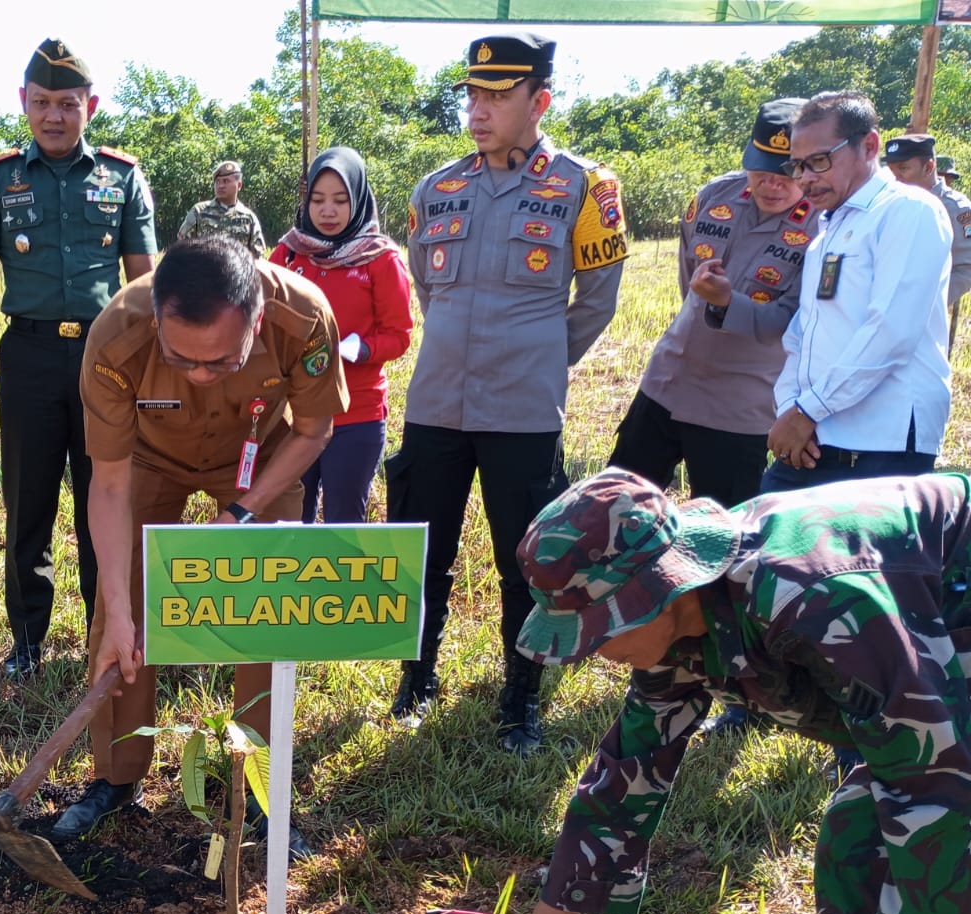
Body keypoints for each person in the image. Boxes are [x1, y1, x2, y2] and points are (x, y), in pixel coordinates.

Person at [470, 467, 971, 914]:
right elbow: (624, 780)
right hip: (937, 675)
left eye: (601, 628)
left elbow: (936, 786)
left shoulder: (812, 599)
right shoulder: (689, 615)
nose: (591, 651)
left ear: (658, 588)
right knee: (857, 828)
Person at [54, 237, 347, 849]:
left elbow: (314, 429)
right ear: (157, 318)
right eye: (181, 358)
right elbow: (107, 485)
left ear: (257, 321)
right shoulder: (115, 336)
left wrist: (242, 512)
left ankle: (261, 793)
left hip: (259, 461)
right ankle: (117, 778)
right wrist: (119, 607)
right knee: (119, 614)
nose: (199, 374)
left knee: (268, 611)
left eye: (221, 362)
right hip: (147, 460)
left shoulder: (305, 316)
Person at [386, 32, 627, 743]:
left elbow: (599, 296)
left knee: (526, 560)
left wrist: (543, 358)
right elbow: (429, 285)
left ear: (539, 100)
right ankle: (416, 676)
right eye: (473, 94)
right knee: (423, 546)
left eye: (498, 95)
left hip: (523, 409)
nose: (480, 109)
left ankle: (520, 698)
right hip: (436, 402)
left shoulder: (585, 186)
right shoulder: (436, 187)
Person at [0, 38, 156, 681]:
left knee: (108, 495)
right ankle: (27, 642)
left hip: (107, 360)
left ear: (90, 106)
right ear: (23, 103)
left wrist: (152, 370)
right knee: (29, 502)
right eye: (41, 103)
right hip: (30, 356)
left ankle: (104, 627)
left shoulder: (123, 178)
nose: (54, 116)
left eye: (67, 104)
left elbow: (144, 282)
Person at [606, 98, 808, 735]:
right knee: (620, 510)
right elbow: (685, 280)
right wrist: (708, 304)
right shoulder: (712, 199)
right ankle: (617, 628)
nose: (772, 183)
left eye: (787, 171)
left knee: (730, 551)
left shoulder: (824, 226)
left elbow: (796, 322)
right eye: (762, 168)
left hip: (741, 407)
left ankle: (745, 691)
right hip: (667, 384)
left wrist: (729, 304)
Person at [762, 93, 951, 495]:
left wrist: (808, 410)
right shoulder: (829, 228)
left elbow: (891, 332)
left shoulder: (908, 210)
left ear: (869, 145)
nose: (806, 178)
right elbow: (803, 334)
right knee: (768, 549)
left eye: (819, 161)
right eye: (798, 165)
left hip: (880, 442)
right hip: (814, 438)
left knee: (863, 560)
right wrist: (789, 407)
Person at [268, 146, 412, 524]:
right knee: (288, 519)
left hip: (355, 414)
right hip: (293, 413)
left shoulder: (380, 259)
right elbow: (261, 316)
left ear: (359, 199)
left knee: (342, 522)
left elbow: (399, 335)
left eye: (339, 200)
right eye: (317, 200)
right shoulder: (288, 254)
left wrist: (362, 349)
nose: (327, 211)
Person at [881, 133, 971, 312]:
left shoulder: (955, 209)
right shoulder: (885, 202)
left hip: (922, 314)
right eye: (891, 171)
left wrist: (924, 304)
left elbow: (966, 268)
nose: (895, 178)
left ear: (929, 167)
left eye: (903, 168)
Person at [178, 161, 267, 257]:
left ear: (239, 185)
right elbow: (181, 247)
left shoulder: (248, 218)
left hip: (236, 270)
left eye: (226, 181)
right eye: (217, 182)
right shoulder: (199, 211)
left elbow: (258, 258)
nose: (220, 186)